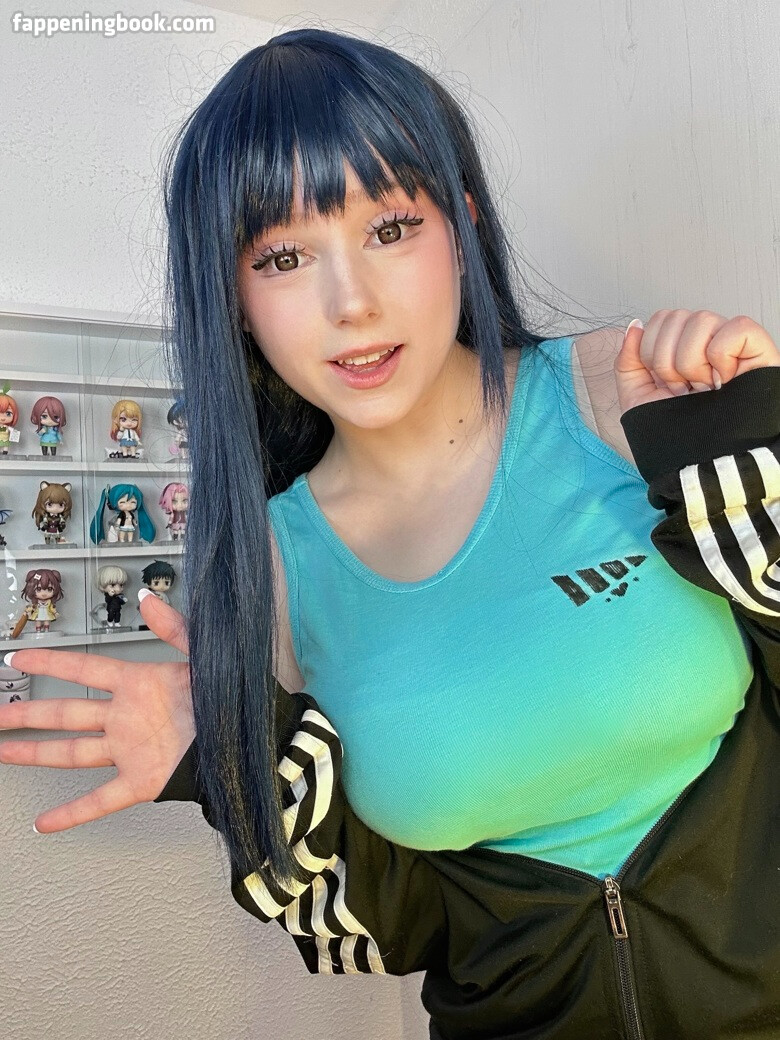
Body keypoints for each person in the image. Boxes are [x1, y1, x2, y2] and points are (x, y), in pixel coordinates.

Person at [0, 27, 778, 1039]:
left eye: (392, 226)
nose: (352, 303)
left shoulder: (624, 393)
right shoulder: (274, 568)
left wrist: (748, 440)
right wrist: (229, 765)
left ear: (462, 223)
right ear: (234, 296)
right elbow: (375, 933)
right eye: (283, 256)